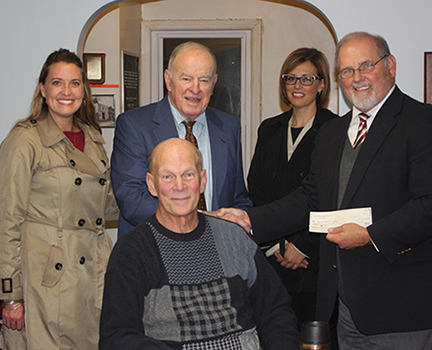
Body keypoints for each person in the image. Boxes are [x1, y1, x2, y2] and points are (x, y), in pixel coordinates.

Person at [215, 32, 432, 349]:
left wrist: (372, 235)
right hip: (343, 309)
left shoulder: (421, 123)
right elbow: (309, 198)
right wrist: (250, 220)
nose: (356, 78)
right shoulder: (332, 133)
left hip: (401, 309)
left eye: (366, 66)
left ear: (391, 66)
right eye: (346, 70)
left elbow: (428, 205)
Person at [99, 138, 299, 349]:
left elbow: (276, 312)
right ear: (152, 184)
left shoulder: (234, 237)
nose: (180, 186)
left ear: (202, 180)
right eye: (168, 177)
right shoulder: (132, 251)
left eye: (188, 175)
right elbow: (117, 337)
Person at [0, 48, 118, 350]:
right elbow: (6, 220)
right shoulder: (25, 140)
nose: (67, 92)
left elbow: (105, 204)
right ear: (42, 89)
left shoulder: (92, 138)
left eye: (75, 83)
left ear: (84, 90)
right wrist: (11, 295)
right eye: (57, 83)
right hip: (45, 279)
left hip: (90, 273)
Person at [111, 41, 251, 238]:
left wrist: (241, 221)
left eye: (204, 80)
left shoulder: (229, 128)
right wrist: (204, 222)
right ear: (168, 80)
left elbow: (238, 198)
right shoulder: (134, 126)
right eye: (186, 78)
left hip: (216, 253)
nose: (195, 89)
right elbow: (133, 202)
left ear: (214, 83)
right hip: (153, 253)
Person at [247, 48, 337, 328]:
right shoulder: (269, 129)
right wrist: (276, 245)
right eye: (291, 78)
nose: (297, 86)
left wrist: (302, 246)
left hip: (314, 260)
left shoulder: (334, 129)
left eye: (307, 79)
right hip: (273, 257)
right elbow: (257, 189)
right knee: (277, 334)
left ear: (321, 84)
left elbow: (332, 197)